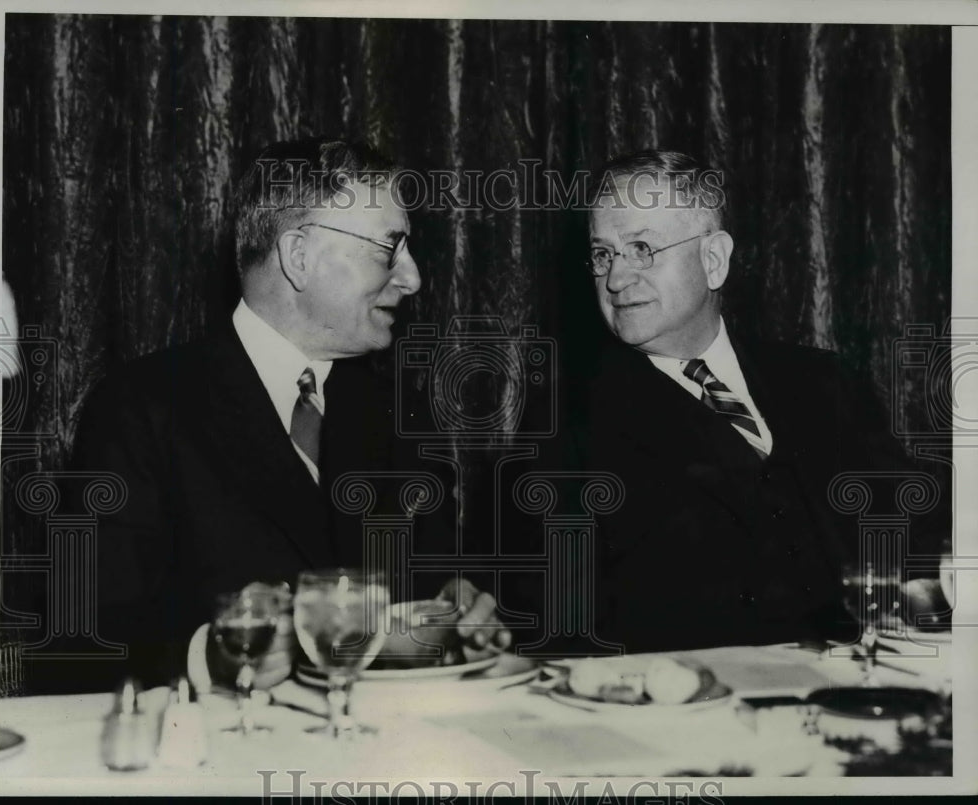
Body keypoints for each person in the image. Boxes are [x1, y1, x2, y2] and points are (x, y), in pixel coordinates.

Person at [69, 138, 506, 692]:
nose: (413, 278)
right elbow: (84, 636)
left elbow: (434, 584)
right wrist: (212, 658)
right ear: (299, 256)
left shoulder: (400, 412)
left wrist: (457, 610)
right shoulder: (140, 409)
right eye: (389, 248)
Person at [570, 149, 944, 653]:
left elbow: (913, 528)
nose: (615, 279)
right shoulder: (570, 421)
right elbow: (566, 620)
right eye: (603, 254)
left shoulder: (821, 381)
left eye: (641, 248)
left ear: (713, 259)